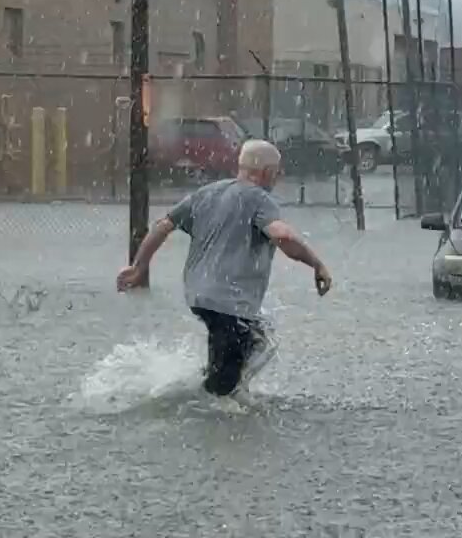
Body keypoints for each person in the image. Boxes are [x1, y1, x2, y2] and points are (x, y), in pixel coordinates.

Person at [116, 139, 332, 397]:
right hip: (229, 303)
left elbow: (163, 225)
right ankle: (205, 401)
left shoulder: (206, 193)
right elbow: (282, 236)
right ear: (267, 172)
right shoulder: (260, 199)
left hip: (200, 295)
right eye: (277, 171)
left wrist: (138, 267)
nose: (278, 176)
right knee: (224, 386)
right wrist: (316, 264)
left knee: (260, 338)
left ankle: (208, 384)